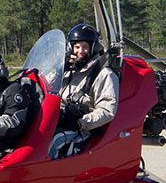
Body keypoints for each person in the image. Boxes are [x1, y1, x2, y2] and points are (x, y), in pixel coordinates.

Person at [50, 24, 120, 158]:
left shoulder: (104, 74)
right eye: (77, 47)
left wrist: (81, 122)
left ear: (93, 48)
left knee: (53, 142)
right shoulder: (68, 69)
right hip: (57, 120)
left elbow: (107, 110)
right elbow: (45, 86)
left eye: (85, 47)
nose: (80, 51)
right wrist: (59, 69)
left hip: (81, 128)